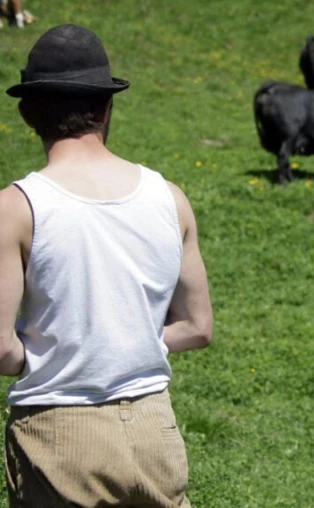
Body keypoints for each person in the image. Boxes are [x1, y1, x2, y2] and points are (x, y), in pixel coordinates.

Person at [0, 24, 213, 507]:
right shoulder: (170, 199)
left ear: (27, 113)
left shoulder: (16, 208)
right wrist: (125, 340)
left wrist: (40, 354)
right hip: (154, 431)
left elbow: (0, 349)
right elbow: (198, 327)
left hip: (60, 436)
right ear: (106, 108)